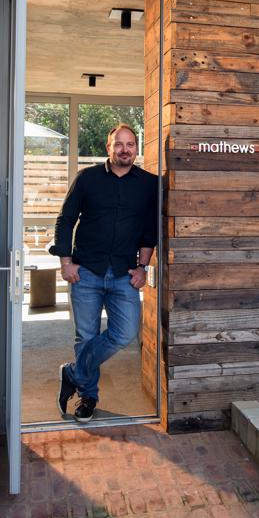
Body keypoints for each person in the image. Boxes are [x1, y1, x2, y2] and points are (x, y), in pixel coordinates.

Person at [49, 123, 158, 422]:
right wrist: (65, 263)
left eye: (131, 144)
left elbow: (150, 230)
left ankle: (72, 372)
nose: (125, 149)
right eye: (119, 144)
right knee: (85, 336)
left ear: (137, 148)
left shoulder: (149, 184)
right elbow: (65, 220)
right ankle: (88, 397)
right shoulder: (87, 179)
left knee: (124, 334)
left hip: (124, 273)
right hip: (86, 272)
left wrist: (142, 267)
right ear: (108, 148)